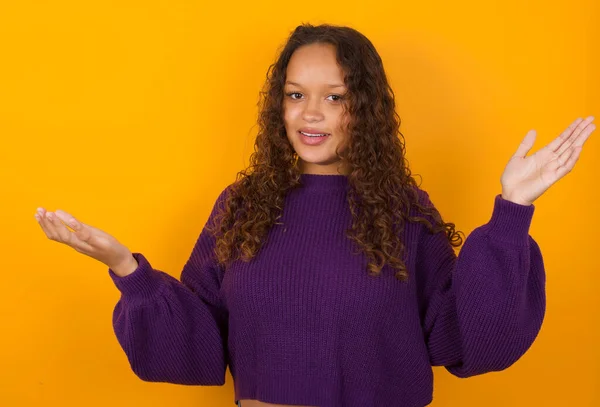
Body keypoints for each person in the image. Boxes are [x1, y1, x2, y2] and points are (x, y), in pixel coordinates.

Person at [34, 23, 595, 407]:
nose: (310, 113)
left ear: (365, 107)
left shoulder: (400, 210)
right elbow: (197, 347)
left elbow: (467, 337)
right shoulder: (243, 206)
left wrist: (514, 209)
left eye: (334, 97)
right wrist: (127, 270)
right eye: (295, 94)